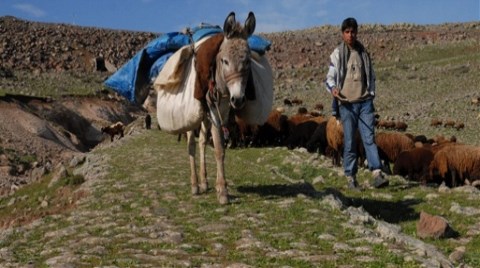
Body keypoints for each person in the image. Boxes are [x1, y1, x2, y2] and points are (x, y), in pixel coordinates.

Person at [325, 17, 388, 189]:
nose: (350, 35)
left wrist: (371, 93)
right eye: (347, 32)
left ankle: (377, 173)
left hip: (364, 102)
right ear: (342, 34)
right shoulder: (337, 54)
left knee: (368, 138)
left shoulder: (363, 53)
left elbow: (371, 75)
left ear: (356, 33)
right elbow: (329, 78)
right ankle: (351, 177)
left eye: (353, 32)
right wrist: (333, 89)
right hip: (346, 104)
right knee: (350, 141)